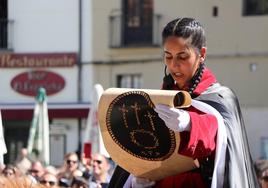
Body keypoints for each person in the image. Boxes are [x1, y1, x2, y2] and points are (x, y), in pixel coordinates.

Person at [107, 17, 259, 188]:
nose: (174, 65)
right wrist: (137, 181)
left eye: (182, 56)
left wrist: (190, 123)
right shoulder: (157, 98)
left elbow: (221, 132)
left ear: (201, 54)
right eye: (168, 56)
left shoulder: (222, 97)